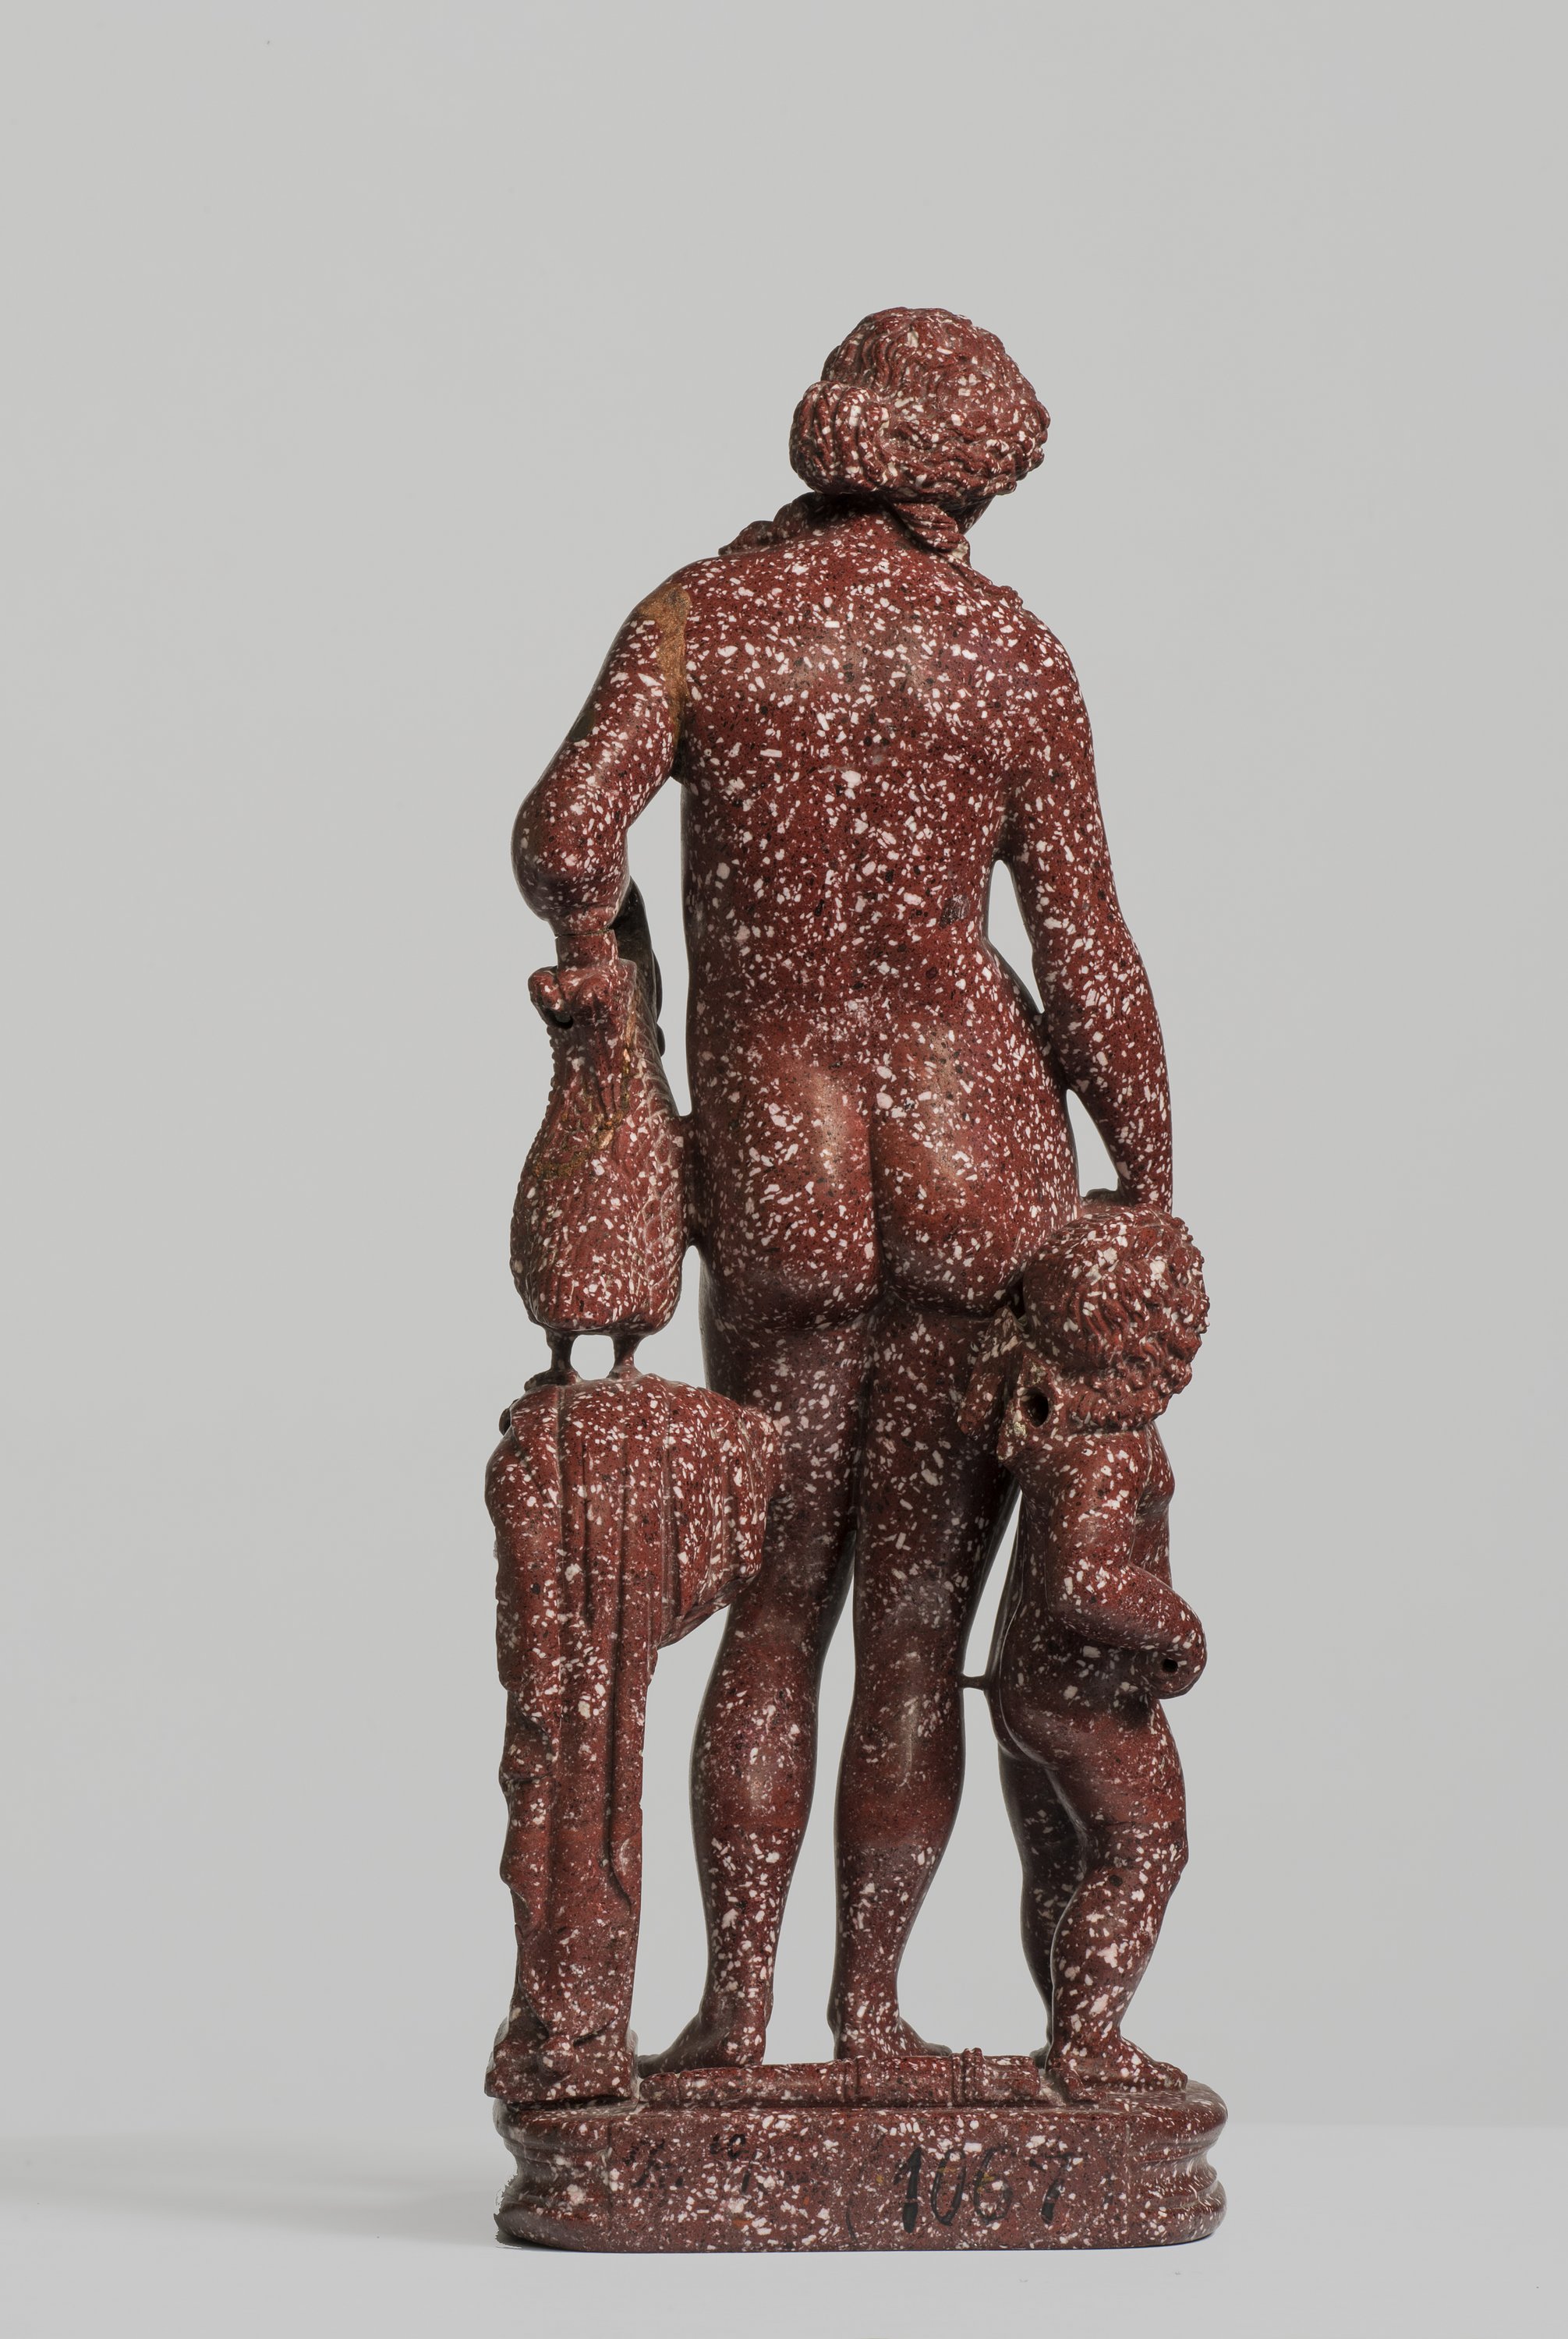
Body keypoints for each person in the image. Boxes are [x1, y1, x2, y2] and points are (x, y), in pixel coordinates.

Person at [511, 308, 1173, 2067]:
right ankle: (869, 2017)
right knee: (915, 1636)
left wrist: (622, 1018)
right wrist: (1149, 1176)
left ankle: (731, 2022)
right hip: (985, 1154)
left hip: (779, 1163)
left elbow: (564, 836)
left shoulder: (701, 618)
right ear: (963, 476)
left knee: (773, 1614)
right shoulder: (1005, 651)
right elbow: (1086, 953)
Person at [963, 1207, 1208, 2099]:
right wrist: (1176, 1628)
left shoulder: (1054, 1420)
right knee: (1145, 1849)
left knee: (1060, 1865)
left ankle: (1068, 2030)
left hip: (1023, 1686)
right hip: (1090, 1696)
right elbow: (1085, 1583)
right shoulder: (1114, 1450)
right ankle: (1088, 2040)